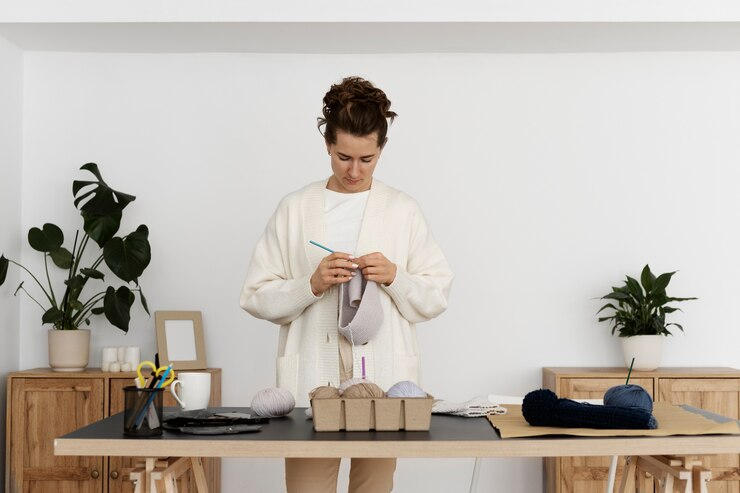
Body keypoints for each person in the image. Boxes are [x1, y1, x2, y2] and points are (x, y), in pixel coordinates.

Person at [240, 76, 453, 493]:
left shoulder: (402, 210)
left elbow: (437, 294)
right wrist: (311, 284)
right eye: (343, 157)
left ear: (381, 150)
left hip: (384, 380)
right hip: (311, 380)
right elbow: (255, 295)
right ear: (327, 145)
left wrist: (394, 276)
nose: (354, 170)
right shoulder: (295, 209)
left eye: (366, 159)